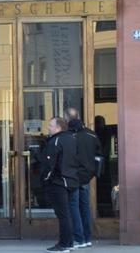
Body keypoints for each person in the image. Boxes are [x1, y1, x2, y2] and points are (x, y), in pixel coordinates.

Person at [41, 117, 80, 252]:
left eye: (51, 125)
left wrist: (45, 178)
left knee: (63, 214)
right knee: (68, 213)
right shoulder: (72, 139)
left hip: (58, 182)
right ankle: (69, 242)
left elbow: (49, 163)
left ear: (58, 127)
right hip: (72, 181)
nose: (48, 128)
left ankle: (64, 244)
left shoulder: (56, 140)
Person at [66, 108, 101, 249]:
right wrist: (93, 173)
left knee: (73, 206)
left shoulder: (68, 136)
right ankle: (87, 238)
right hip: (86, 177)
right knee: (84, 207)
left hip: (73, 176)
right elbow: (99, 156)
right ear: (79, 117)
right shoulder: (91, 135)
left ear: (67, 119)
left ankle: (79, 238)